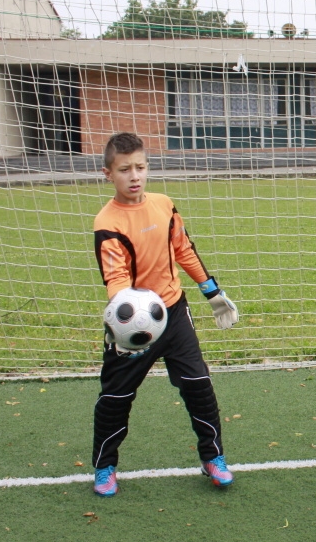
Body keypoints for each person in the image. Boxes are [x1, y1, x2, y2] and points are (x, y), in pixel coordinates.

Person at [91, 132, 240, 496]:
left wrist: (212, 291)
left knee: (198, 385)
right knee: (116, 397)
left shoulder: (163, 204)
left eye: (140, 167)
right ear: (108, 174)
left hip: (173, 313)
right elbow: (116, 277)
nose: (134, 176)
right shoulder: (107, 222)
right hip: (135, 325)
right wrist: (124, 325)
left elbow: (183, 249)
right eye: (124, 169)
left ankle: (213, 457)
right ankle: (105, 466)